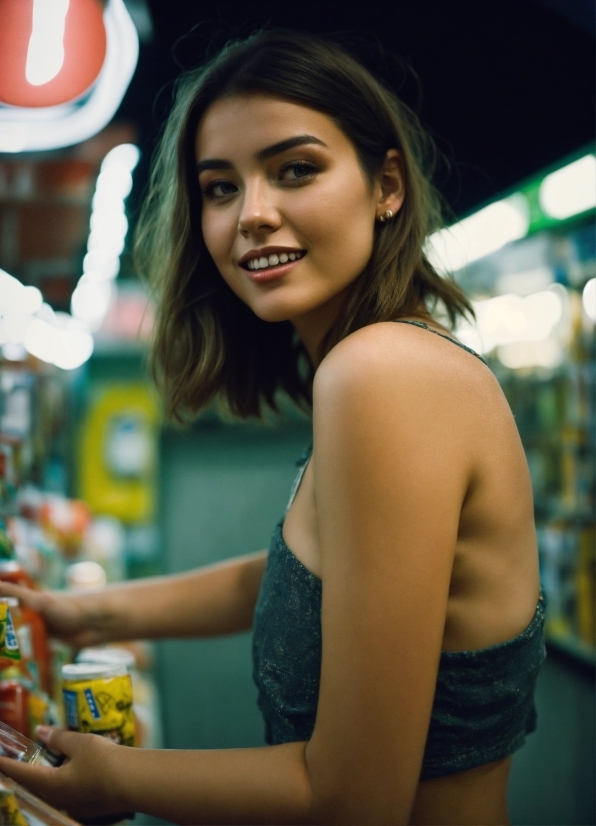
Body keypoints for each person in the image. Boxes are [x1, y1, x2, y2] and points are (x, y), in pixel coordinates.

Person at [0, 30, 545, 825]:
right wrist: (86, 612)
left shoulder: (383, 375)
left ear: (386, 184)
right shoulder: (384, 363)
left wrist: (116, 779)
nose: (253, 215)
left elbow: (354, 798)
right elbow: (299, 579)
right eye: (220, 188)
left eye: (296, 169)